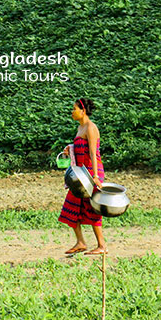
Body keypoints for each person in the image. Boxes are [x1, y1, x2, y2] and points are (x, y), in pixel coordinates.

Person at [58, 98, 107, 255]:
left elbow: (93, 153)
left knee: (92, 207)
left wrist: (95, 176)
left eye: (74, 108)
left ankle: (102, 245)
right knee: (71, 206)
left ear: (83, 110)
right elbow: (82, 147)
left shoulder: (91, 128)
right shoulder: (80, 128)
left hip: (91, 173)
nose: (72, 112)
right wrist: (70, 149)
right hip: (81, 173)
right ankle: (80, 242)